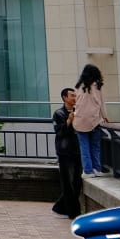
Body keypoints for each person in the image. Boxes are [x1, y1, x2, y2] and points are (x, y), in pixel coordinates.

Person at [52, 88, 84, 217]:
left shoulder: (79, 112)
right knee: (67, 182)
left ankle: (60, 207)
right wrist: (69, 121)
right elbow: (59, 132)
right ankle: (73, 212)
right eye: (72, 95)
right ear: (65, 98)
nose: (74, 98)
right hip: (65, 152)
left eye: (75, 95)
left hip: (77, 151)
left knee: (77, 182)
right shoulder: (58, 113)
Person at [73, 64, 109, 175]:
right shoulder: (96, 86)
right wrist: (105, 117)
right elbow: (101, 103)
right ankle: (97, 169)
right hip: (94, 120)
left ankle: (88, 171)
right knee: (95, 146)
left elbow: (77, 104)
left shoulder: (79, 87)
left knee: (84, 147)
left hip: (79, 120)